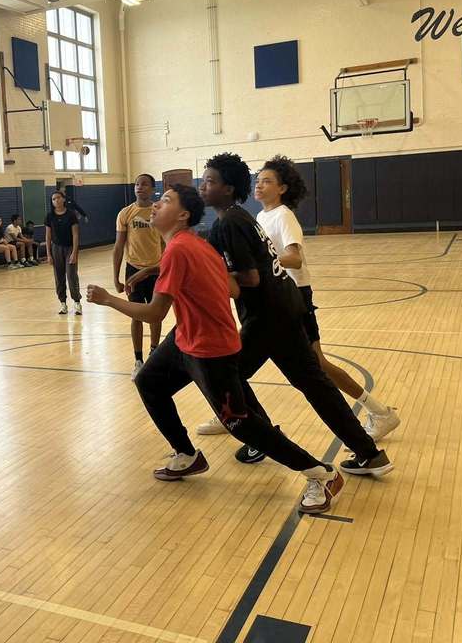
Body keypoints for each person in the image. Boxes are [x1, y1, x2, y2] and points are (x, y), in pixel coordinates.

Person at [86, 185, 344, 513]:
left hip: (210, 349)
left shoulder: (179, 250)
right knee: (149, 381)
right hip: (186, 338)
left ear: (182, 215)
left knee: (241, 425)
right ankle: (187, 455)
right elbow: (233, 288)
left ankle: (321, 473)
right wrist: (161, 273)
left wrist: (108, 300)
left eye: (165, 200)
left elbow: (154, 313)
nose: (155, 205)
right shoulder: (194, 245)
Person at [199, 153, 392, 477]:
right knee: (315, 384)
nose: (203, 186)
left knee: (228, 376)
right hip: (287, 308)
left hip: (267, 316)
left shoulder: (230, 223)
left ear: (229, 189)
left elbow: (250, 279)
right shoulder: (247, 218)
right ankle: (369, 453)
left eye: (210, 181)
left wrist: (212, 276)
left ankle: (261, 438)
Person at [251, 156, 400, 440]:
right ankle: (234, 412)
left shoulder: (283, 216)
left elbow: (294, 258)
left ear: (282, 188)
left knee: (317, 364)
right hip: (276, 297)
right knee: (303, 362)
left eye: (266, 181)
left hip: (294, 295)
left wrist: (261, 262)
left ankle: (380, 412)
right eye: (257, 180)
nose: (259, 185)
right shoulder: (261, 217)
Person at [113, 174, 164, 379]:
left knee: (155, 314)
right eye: (136, 184)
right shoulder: (125, 213)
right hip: (133, 270)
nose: (139, 187)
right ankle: (138, 359)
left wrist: (165, 266)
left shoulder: (159, 212)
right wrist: (115, 277)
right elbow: (118, 246)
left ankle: (154, 352)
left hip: (155, 270)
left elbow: (166, 243)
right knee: (136, 314)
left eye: (144, 184)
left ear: (152, 189)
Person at [45, 191, 82, 315]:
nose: (56, 200)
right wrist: (49, 254)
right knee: (59, 277)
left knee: (71, 276)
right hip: (56, 249)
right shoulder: (50, 216)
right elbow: (48, 236)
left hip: (70, 247)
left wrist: (74, 252)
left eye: (58, 198)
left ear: (63, 199)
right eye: (53, 199)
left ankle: (77, 302)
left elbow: (75, 235)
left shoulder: (71, 215)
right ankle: (63, 303)